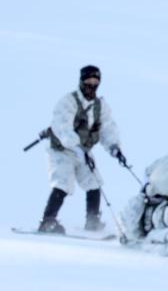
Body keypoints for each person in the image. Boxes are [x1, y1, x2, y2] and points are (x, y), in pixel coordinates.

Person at [37, 65, 127, 234]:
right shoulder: (68, 101)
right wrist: (76, 147)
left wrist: (115, 148)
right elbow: (62, 127)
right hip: (61, 149)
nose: (91, 85)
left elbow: (107, 128)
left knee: (94, 182)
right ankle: (48, 221)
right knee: (63, 182)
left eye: (95, 81)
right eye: (88, 81)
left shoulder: (100, 106)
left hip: (83, 152)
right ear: (81, 81)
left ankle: (92, 220)